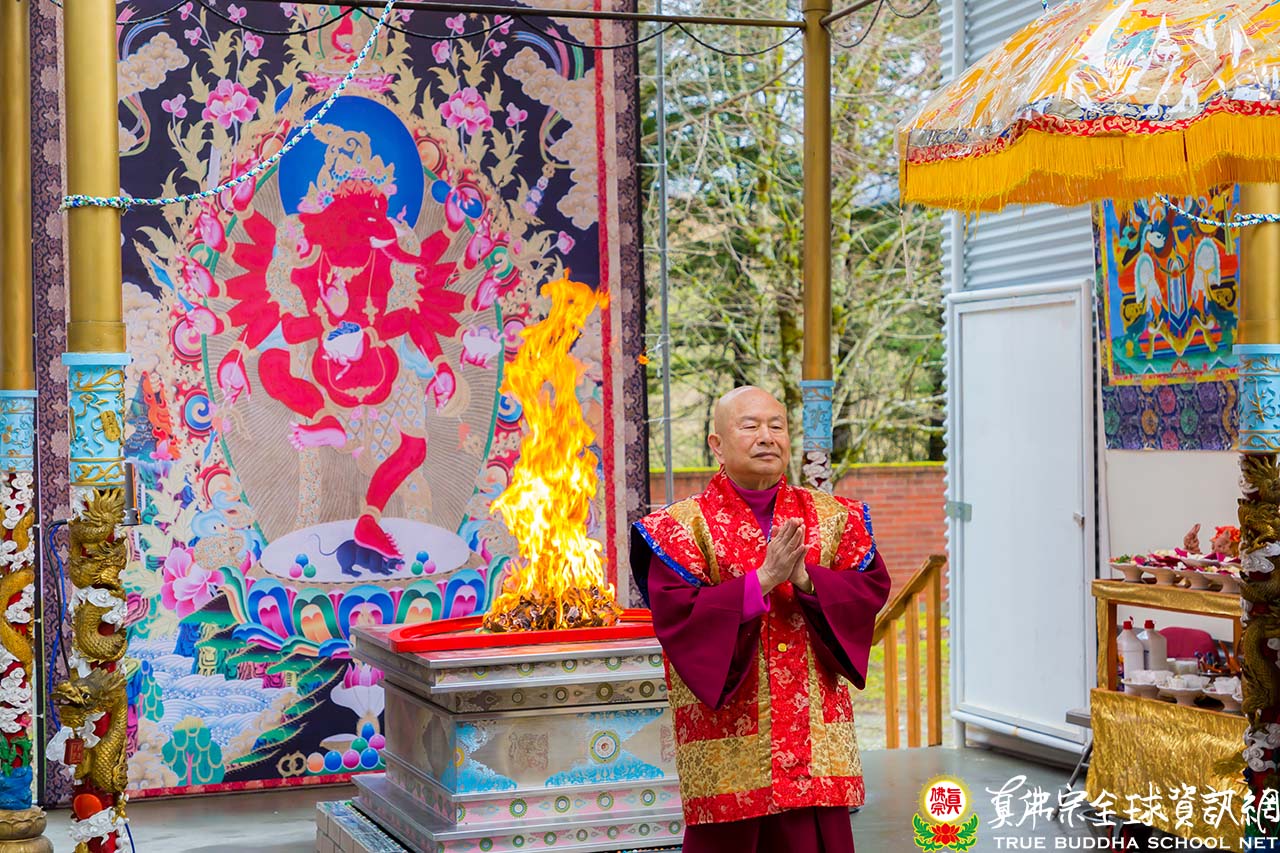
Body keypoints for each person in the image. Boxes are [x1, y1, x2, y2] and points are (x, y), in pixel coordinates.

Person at [630, 386, 891, 853]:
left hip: (815, 745)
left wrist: (808, 581)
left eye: (777, 426)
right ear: (716, 444)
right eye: (750, 426)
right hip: (728, 749)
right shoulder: (677, 528)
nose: (767, 437)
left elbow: (868, 590)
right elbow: (678, 615)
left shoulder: (836, 517)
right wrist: (762, 581)